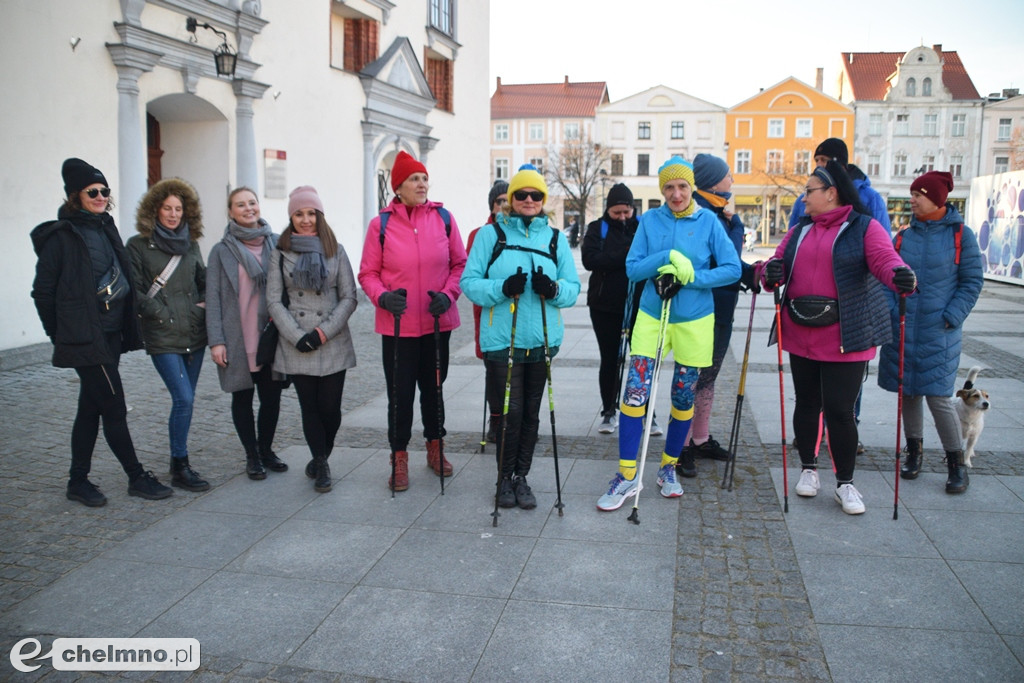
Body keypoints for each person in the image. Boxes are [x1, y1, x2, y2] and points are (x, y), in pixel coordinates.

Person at [762, 160, 916, 515]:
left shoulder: (864, 227)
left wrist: (900, 276)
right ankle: (808, 469)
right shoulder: (800, 230)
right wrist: (770, 273)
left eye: (809, 191)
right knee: (806, 403)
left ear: (831, 193)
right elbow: (776, 265)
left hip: (846, 334)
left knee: (840, 411)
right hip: (801, 329)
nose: (804, 198)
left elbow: (884, 260)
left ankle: (845, 483)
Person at [596, 157, 740, 511]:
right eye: (669, 187)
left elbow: (732, 268)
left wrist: (693, 277)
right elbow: (633, 269)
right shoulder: (650, 221)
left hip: (694, 321)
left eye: (682, 187)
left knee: (683, 397)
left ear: (692, 188)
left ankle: (668, 468)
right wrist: (667, 258)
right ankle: (627, 475)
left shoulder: (708, 222)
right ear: (662, 190)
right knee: (634, 395)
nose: (676, 194)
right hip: (652, 316)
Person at [31, 158, 173, 507]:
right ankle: (136, 477)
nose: (100, 196)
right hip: (84, 338)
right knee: (113, 405)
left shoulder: (105, 227)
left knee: (90, 407)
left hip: (109, 334)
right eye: (91, 191)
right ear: (74, 196)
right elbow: (42, 293)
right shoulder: (61, 237)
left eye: (104, 191)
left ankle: (77, 481)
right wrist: (60, 334)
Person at [462, 166, 580, 509]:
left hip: (542, 339)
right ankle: (503, 479)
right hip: (503, 341)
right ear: (511, 199)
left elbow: (572, 288)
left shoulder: (555, 239)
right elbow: (469, 282)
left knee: (531, 414)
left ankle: (520, 477)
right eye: (522, 194)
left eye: (536, 195)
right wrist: (501, 288)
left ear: (543, 200)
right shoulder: (492, 235)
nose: (529, 200)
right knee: (509, 414)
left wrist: (553, 289)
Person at [358, 151, 467, 492]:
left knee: (434, 391)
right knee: (400, 396)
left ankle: (436, 447)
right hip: (398, 327)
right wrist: (382, 297)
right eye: (413, 179)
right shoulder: (381, 225)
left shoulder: (444, 218)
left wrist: (448, 295)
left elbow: (460, 264)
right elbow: (368, 273)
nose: (421, 184)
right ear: (398, 187)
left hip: (436, 324)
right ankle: (399, 456)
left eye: (424, 178)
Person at [877, 171, 983, 494]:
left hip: (939, 332)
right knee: (909, 392)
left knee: (938, 398)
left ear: (936, 199)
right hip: (904, 328)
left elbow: (971, 282)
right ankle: (914, 453)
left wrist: (951, 316)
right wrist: (892, 311)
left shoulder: (961, 236)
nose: (912, 200)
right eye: (912, 194)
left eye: (917, 195)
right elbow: (887, 278)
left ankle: (956, 464)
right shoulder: (904, 236)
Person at [788, 138, 891, 453]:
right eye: (817, 160)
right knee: (809, 397)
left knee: (842, 399)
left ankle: (845, 432)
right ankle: (813, 436)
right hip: (807, 315)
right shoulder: (807, 203)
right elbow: (791, 244)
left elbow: (882, 250)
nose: (820, 165)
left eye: (826, 160)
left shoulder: (868, 200)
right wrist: (773, 272)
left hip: (852, 312)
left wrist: (894, 282)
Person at [267, 186, 357, 493]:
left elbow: (349, 297)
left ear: (320, 216)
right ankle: (321, 463)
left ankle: (322, 455)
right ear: (291, 217)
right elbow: (273, 300)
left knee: (331, 408)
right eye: (298, 214)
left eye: (311, 213)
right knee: (310, 408)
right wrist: (297, 336)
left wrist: (322, 332)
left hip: (331, 339)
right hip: (297, 341)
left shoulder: (337, 250)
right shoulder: (280, 253)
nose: (305, 220)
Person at [127, 178, 210, 492]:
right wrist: (162, 314)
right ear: (155, 210)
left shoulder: (191, 244)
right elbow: (135, 291)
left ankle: (179, 465)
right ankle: (180, 464)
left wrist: (202, 307)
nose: (173, 214)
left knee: (187, 401)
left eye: (178, 208)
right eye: (167, 208)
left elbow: (203, 281)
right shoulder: (138, 245)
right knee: (183, 398)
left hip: (194, 334)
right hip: (162, 335)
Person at [677, 154, 754, 474]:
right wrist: (737, 226)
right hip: (700, 310)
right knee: (690, 379)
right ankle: (680, 446)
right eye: (727, 174)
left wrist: (756, 274)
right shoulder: (704, 215)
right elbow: (728, 260)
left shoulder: (718, 212)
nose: (732, 179)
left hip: (722, 307)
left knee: (708, 378)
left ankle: (700, 438)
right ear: (712, 181)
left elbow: (732, 266)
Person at [206, 187, 290, 480]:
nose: (248, 208)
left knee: (271, 398)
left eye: (252, 202)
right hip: (237, 337)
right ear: (231, 212)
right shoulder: (221, 251)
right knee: (242, 398)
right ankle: (252, 456)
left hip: (270, 337)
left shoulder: (277, 243)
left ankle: (266, 450)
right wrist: (216, 341)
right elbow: (213, 298)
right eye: (240, 205)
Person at [581, 182, 643, 435]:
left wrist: (618, 257)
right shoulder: (598, 228)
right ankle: (609, 409)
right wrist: (626, 254)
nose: (622, 217)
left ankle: (644, 409)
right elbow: (590, 260)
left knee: (642, 361)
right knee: (610, 359)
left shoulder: (642, 227)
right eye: (617, 212)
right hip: (604, 305)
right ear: (608, 210)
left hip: (640, 305)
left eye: (626, 212)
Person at [466, 180, 508, 444]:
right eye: (499, 201)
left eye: (507, 201)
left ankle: (517, 419)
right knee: (493, 370)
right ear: (492, 206)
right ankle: (496, 419)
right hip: (488, 311)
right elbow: (472, 275)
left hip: (515, 311)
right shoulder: (479, 234)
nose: (504, 206)